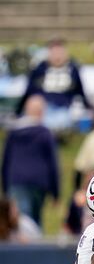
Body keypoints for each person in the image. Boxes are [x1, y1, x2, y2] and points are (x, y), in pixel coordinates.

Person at [1, 94, 60, 225]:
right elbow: (53, 164)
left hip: (15, 180)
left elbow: (6, 161)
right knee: (34, 219)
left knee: (20, 220)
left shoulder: (14, 133)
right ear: (41, 112)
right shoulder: (44, 133)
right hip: (39, 182)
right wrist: (56, 193)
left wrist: (5, 187)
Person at [16, 38, 92, 132]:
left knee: (63, 119)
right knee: (35, 104)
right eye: (54, 53)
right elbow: (29, 91)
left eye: (60, 53)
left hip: (63, 107)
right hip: (42, 106)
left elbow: (80, 91)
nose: (57, 57)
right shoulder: (39, 69)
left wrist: (89, 108)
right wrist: (18, 112)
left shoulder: (73, 69)